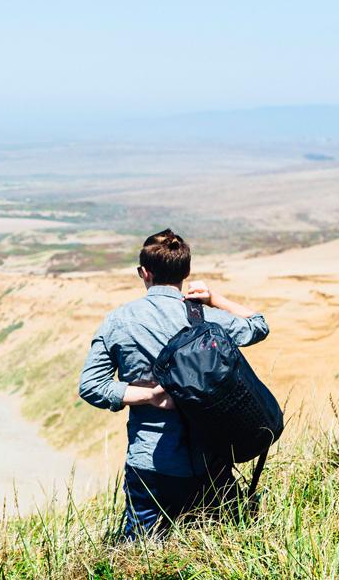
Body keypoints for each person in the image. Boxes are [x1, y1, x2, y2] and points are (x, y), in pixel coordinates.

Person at [78, 229, 269, 540]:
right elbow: (258, 325)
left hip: (152, 461)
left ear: (144, 272)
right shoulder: (205, 319)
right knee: (216, 547)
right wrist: (214, 299)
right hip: (211, 459)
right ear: (187, 273)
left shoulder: (119, 321)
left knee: (139, 557)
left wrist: (149, 396)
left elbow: (91, 386)